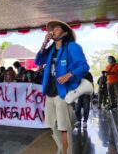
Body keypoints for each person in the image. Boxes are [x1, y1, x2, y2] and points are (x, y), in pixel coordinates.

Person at [35, 20, 89, 154]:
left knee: (64, 127)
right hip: (49, 92)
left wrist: (69, 75)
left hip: (63, 92)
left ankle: (67, 152)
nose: (53, 31)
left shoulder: (72, 46)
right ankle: (62, 150)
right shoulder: (51, 49)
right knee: (53, 126)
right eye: (52, 29)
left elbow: (84, 66)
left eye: (57, 28)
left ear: (65, 33)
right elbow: (38, 61)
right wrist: (44, 44)